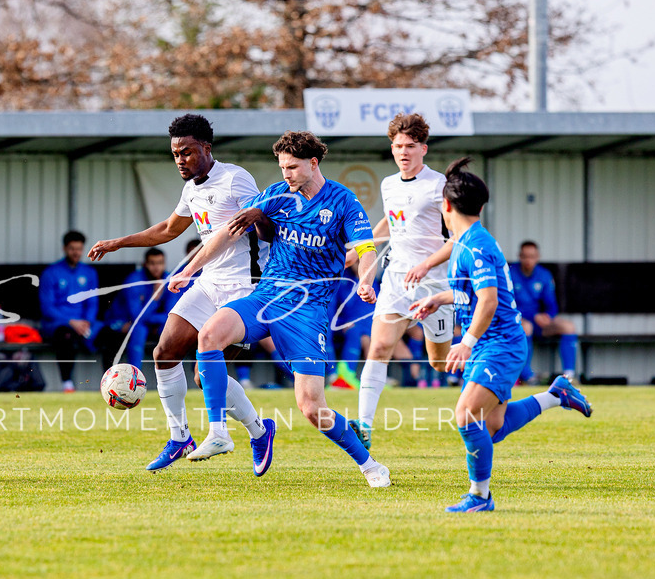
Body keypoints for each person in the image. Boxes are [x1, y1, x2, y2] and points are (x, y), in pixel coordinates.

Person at [170, 131, 391, 486]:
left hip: (308, 310)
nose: (285, 173)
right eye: (282, 167)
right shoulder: (276, 194)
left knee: (311, 408)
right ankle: (218, 432)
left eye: (292, 167)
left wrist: (365, 280)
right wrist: (188, 270)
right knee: (208, 335)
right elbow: (226, 233)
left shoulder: (344, 202)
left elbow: (366, 249)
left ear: (313, 163)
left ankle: (370, 465)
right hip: (266, 296)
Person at [87, 113, 274, 473]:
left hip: (245, 287)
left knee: (206, 375)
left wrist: (258, 217)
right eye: (175, 154)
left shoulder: (236, 179)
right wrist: (117, 243)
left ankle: (258, 430)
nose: (180, 160)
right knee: (164, 352)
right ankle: (179, 437)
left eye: (186, 152)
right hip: (208, 282)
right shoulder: (191, 189)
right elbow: (168, 229)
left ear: (206, 148)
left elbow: (266, 226)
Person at [409, 158, 592, 512]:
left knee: (466, 416)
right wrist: (439, 298)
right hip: (493, 345)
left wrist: (466, 342)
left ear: (446, 206)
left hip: (500, 345)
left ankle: (480, 497)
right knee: (491, 428)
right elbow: (476, 294)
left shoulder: (475, 246)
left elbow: (489, 302)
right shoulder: (465, 242)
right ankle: (557, 395)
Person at [348, 113, 454, 449]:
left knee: (439, 362)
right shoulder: (389, 184)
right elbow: (390, 223)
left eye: (410, 146)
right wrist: (361, 249)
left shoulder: (440, 186)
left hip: (433, 285)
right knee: (379, 348)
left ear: (424, 148)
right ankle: (363, 426)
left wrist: (425, 265)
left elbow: (458, 238)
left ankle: (492, 375)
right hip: (395, 280)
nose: (403, 152)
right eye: (397, 146)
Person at [39, 230, 103, 393]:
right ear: (65, 249)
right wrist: (71, 322)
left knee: (111, 334)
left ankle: (111, 383)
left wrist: (87, 321)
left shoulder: (89, 273)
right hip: (58, 323)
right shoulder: (50, 273)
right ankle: (67, 384)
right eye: (72, 249)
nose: (76, 253)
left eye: (79, 249)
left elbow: (93, 302)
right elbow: (47, 308)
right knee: (65, 336)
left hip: (84, 323)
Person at [510, 240, 579, 382]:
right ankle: (527, 376)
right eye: (525, 256)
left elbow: (552, 304)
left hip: (539, 323)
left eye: (532, 256)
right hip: (518, 321)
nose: (528, 260)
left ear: (537, 257)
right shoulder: (510, 273)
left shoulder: (544, 275)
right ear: (519, 256)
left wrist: (548, 316)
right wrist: (532, 316)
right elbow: (507, 305)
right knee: (526, 327)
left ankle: (569, 375)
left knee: (568, 327)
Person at [99, 247, 178, 370]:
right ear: (145, 264)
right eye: (152, 263)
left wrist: (153, 321)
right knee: (139, 330)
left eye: (160, 263)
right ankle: (135, 377)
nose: (156, 267)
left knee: (171, 331)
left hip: (148, 323)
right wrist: (155, 297)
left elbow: (171, 315)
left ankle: (171, 374)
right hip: (122, 321)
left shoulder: (169, 280)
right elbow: (137, 317)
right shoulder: (134, 280)